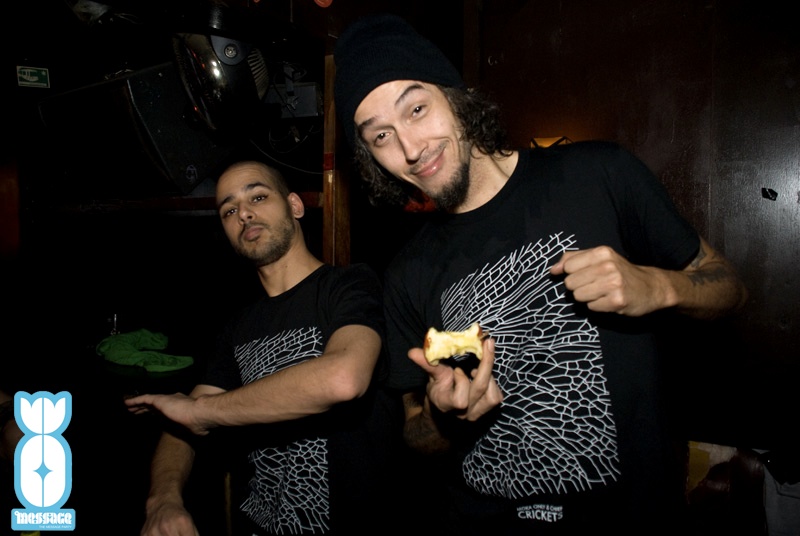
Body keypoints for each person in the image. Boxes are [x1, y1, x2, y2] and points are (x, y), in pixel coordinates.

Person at [333, 13, 748, 535]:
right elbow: (414, 432)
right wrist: (443, 418)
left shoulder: (599, 174)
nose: (411, 149)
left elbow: (730, 287)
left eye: (417, 109)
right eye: (381, 136)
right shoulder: (404, 274)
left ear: (456, 97)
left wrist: (659, 286)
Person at [125, 160, 402, 536]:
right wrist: (163, 501)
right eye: (229, 210)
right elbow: (182, 422)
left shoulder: (349, 286)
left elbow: (344, 378)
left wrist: (202, 411)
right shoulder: (237, 327)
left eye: (257, 197)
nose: (244, 214)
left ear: (295, 206)